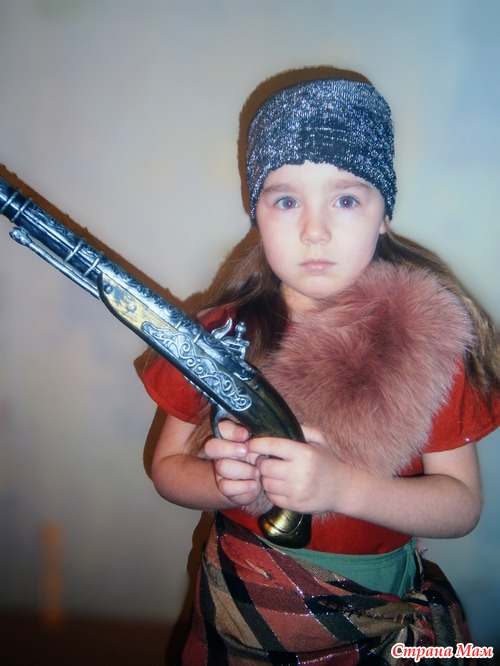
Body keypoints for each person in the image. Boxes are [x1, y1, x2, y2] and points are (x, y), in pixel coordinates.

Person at [141, 67, 500, 663]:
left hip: (376, 608)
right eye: (286, 200)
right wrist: (225, 483)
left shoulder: (429, 339)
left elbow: (461, 506)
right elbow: (167, 469)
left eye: (346, 199)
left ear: (384, 213)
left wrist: (342, 487)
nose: (315, 230)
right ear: (256, 213)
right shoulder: (215, 337)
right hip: (243, 599)